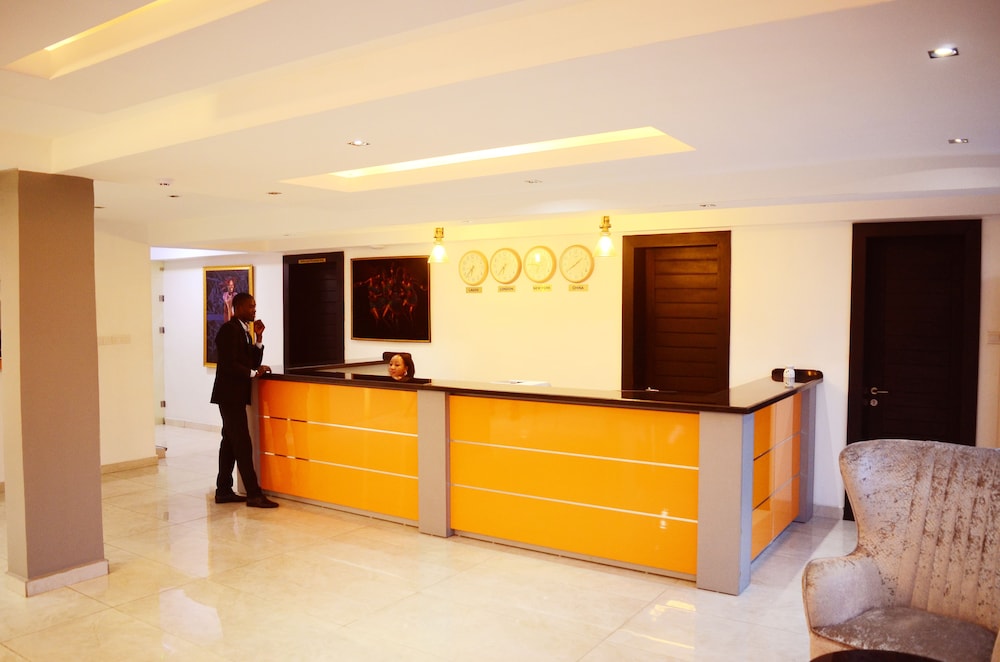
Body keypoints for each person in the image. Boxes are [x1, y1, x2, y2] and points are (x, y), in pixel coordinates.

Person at [210, 292, 278, 508]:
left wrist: (259, 339)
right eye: (250, 306)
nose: (254, 310)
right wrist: (253, 373)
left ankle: (223, 490)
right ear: (237, 307)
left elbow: (252, 361)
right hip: (229, 395)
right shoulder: (228, 330)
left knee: (230, 443)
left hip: (236, 395)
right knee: (242, 443)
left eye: (254, 306)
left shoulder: (244, 331)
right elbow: (229, 364)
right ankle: (254, 494)